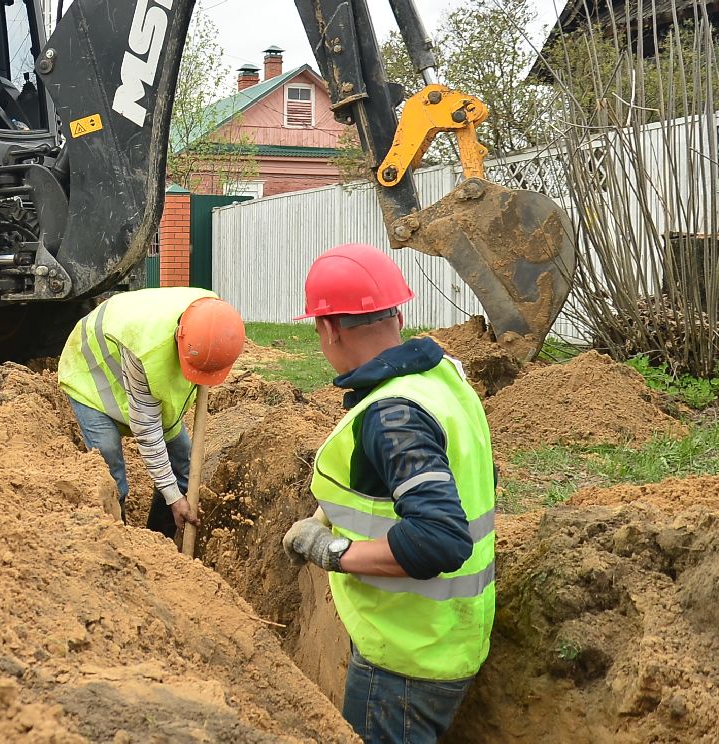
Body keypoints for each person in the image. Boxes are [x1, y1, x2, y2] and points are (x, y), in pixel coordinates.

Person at [281, 244, 495, 744]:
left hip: (404, 661)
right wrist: (327, 514)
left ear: (329, 328)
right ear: (398, 315)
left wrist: (330, 551)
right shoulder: (442, 378)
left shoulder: (392, 415)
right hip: (452, 637)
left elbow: (439, 540)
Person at [58, 288, 245, 538]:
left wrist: (175, 494)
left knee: (183, 466)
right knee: (111, 466)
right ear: (180, 341)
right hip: (91, 377)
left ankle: (159, 541)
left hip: (137, 372)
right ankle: (119, 542)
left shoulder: (214, 321)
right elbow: (147, 429)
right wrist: (173, 498)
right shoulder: (145, 349)